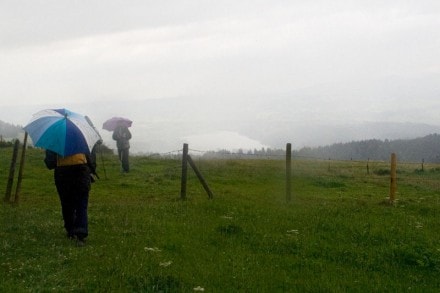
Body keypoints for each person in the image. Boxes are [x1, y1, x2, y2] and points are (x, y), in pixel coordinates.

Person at [44, 144, 99, 246]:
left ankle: (70, 230)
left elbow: (50, 163)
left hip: (62, 173)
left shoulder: (56, 138)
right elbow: (91, 157)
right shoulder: (83, 137)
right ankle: (81, 233)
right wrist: (91, 170)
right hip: (81, 172)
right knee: (81, 203)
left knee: (66, 203)